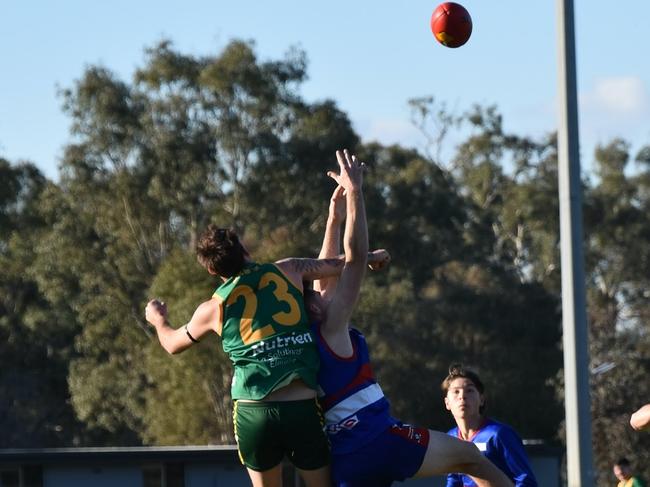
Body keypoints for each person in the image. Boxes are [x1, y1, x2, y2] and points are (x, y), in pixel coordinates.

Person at [145, 151, 389, 487]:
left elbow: (172, 344)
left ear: (213, 271)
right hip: (300, 407)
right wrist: (374, 255)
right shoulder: (288, 270)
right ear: (245, 251)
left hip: (253, 411)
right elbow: (342, 264)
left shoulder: (212, 308)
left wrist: (158, 319)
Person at [303, 149, 514, 487]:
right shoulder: (332, 326)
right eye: (315, 294)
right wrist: (356, 193)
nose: (323, 289)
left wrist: (333, 217)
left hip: (343, 458)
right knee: (472, 457)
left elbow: (323, 276)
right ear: (313, 307)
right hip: (381, 439)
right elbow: (354, 260)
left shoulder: (307, 334)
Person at [441, 364, 538, 487]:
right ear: (447, 403)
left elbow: (526, 481)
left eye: (469, 390)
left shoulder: (500, 434)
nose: (462, 396)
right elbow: (454, 480)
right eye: (456, 391)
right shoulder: (451, 438)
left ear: (481, 399)